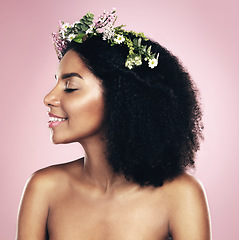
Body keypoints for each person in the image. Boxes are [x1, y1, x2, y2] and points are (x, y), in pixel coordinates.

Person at [16, 9, 211, 240]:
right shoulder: (43, 189)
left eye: (70, 87)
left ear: (120, 97)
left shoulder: (181, 195)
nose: (48, 98)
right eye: (56, 82)